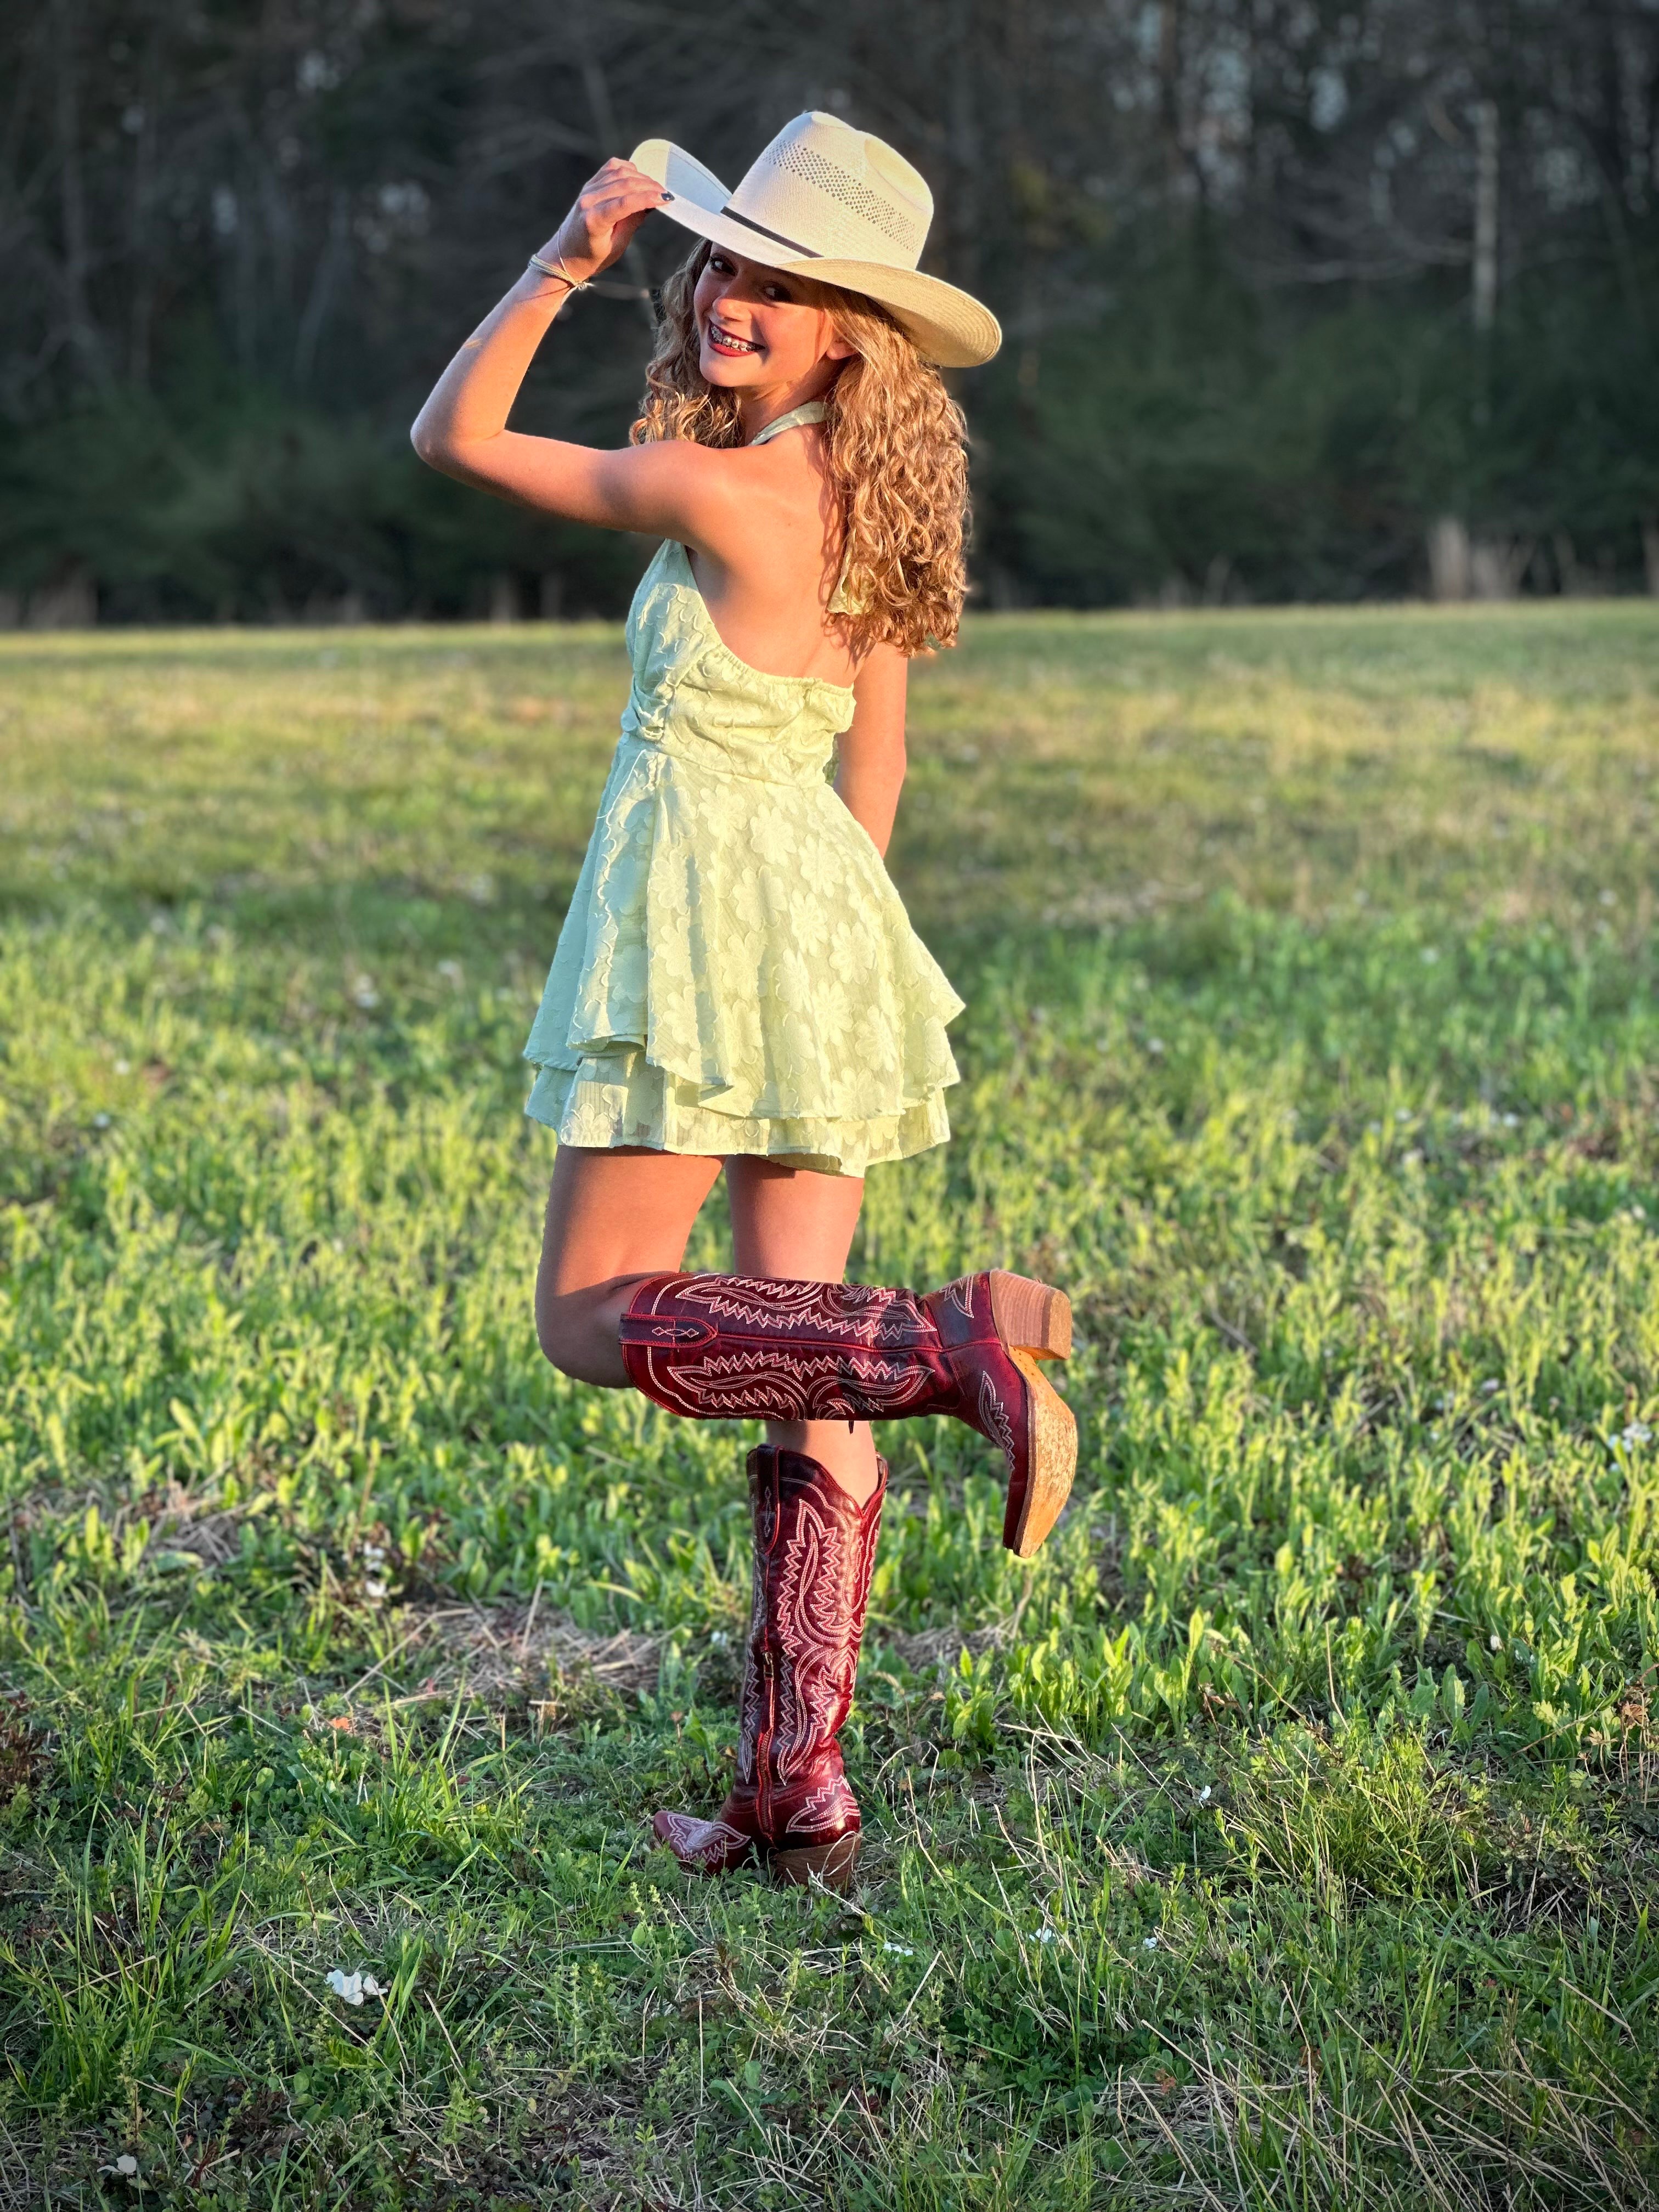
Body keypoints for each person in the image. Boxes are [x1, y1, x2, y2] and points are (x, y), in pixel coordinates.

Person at [411, 111, 1077, 1889]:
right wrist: (830, 951)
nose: (729, 294)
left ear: (849, 327)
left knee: (584, 1316)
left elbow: (451, 435)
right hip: (821, 929)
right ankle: (798, 1795)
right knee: (802, 1365)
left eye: (779, 280)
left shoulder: (723, 487)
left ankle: (946, 1352)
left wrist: (566, 257)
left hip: (697, 926)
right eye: (721, 259)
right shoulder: (867, 511)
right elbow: (881, 772)